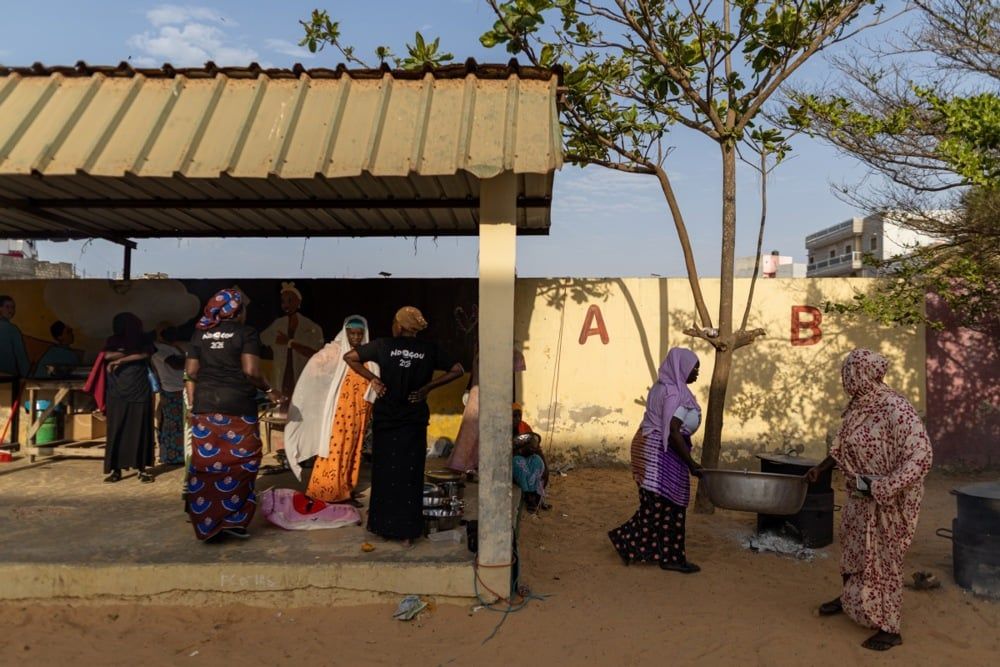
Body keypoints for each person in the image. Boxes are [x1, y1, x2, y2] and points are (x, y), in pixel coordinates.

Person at [806, 349, 932, 652]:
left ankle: (890, 627)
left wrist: (887, 487)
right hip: (862, 489)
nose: (845, 380)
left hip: (891, 496)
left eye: (849, 373)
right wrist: (821, 468)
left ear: (863, 375)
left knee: (884, 558)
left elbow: (921, 457)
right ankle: (851, 597)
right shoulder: (857, 407)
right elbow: (845, 446)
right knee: (852, 545)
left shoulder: (895, 408)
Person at [344, 306, 464, 546]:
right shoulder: (429, 349)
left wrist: (374, 380)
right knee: (410, 473)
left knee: (385, 471)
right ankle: (408, 532)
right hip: (413, 418)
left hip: (387, 417)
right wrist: (427, 388)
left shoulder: (383, 345)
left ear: (399, 325)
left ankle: (381, 526)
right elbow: (458, 369)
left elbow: (350, 357)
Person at [184, 289, 285, 541]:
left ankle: (208, 523)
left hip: (205, 406)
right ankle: (234, 521)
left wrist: (191, 405)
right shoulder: (246, 333)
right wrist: (270, 390)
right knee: (243, 462)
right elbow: (251, 370)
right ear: (237, 311)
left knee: (207, 465)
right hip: (238, 406)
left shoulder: (200, 333)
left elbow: (191, 372)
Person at [608, 347, 703, 573]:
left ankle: (643, 547)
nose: (697, 373)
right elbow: (672, 430)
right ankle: (669, 557)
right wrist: (691, 464)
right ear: (681, 369)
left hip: (648, 446)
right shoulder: (675, 394)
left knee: (655, 506)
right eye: (694, 368)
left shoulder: (661, 388)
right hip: (658, 454)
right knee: (670, 506)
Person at [284, 315, 379, 504]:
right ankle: (326, 490)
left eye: (360, 334)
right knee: (337, 448)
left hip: (359, 413)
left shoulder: (366, 353)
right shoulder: (334, 351)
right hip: (339, 413)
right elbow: (315, 368)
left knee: (353, 448)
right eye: (351, 334)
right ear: (345, 333)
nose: (356, 338)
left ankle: (345, 488)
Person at [102, 313, 156, 484]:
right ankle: (116, 469)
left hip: (137, 390)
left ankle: (141, 469)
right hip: (118, 391)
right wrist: (129, 354)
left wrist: (122, 358)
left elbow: (146, 354)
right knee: (117, 429)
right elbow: (106, 356)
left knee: (138, 429)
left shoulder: (143, 339)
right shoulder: (113, 340)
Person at [151, 327, 186, 465]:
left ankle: (179, 455)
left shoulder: (170, 347)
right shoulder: (159, 349)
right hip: (172, 389)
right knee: (172, 426)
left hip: (179, 388)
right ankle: (170, 456)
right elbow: (176, 364)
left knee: (179, 425)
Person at [512, 402, 549, 513]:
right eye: (514, 416)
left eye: (519, 416)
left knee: (538, 462)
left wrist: (543, 463)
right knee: (519, 462)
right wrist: (518, 451)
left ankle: (535, 496)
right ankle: (528, 495)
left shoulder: (524, 427)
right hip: (513, 460)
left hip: (527, 457)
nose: (517, 419)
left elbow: (535, 445)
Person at [0, 295, 30, 378]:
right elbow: (21, 357)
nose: (11, 310)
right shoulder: (12, 329)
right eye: (7, 307)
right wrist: (28, 376)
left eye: (13, 307)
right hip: (8, 377)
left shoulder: (12, 329)